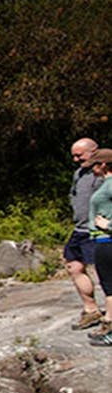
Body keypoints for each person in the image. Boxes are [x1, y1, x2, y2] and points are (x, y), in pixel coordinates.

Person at [65, 138, 104, 329]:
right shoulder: (79, 173)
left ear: (93, 152)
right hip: (80, 229)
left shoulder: (104, 173)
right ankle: (91, 310)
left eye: (79, 155)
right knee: (74, 266)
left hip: (99, 231)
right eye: (73, 155)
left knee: (103, 271)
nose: (75, 159)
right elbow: (74, 195)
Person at [85, 148, 112, 346]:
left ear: (103, 165)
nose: (91, 169)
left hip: (108, 240)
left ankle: (111, 331)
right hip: (103, 241)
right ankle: (108, 324)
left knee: (110, 288)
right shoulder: (106, 184)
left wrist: (108, 225)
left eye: (94, 164)